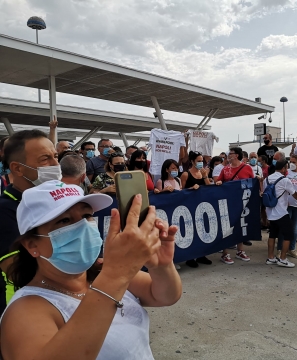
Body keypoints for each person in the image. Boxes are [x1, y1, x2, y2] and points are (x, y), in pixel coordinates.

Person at [1, 180, 181, 359]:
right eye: (64, 220)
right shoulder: (25, 310)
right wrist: (115, 275)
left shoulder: (102, 272)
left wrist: (161, 266)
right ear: (32, 244)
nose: (83, 227)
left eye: (87, 215)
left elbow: (165, 296)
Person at [0, 130, 61, 315]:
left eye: (55, 156)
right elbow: (16, 271)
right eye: (45, 159)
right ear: (18, 168)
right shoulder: (5, 211)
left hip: (60, 303)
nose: (56, 164)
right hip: (24, 310)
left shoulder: (59, 202)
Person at [217, 147, 254, 264]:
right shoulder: (225, 169)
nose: (228, 155)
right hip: (227, 202)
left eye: (231, 153)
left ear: (236, 155)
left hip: (242, 201)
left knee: (240, 225)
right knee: (226, 226)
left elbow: (252, 183)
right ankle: (225, 252)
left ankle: (240, 250)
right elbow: (219, 181)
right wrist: (219, 182)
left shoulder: (247, 168)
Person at [264, 160, 297, 268]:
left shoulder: (266, 179)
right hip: (281, 212)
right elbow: (294, 194)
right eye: (286, 168)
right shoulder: (285, 180)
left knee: (272, 235)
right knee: (289, 235)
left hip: (270, 212)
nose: (287, 170)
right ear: (283, 169)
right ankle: (282, 259)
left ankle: (270, 257)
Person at [276, 155, 297, 259]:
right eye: (291, 161)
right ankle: (280, 249)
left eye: (294, 162)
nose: (292, 163)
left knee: (294, 229)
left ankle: (291, 249)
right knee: (284, 228)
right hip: (286, 205)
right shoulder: (286, 173)